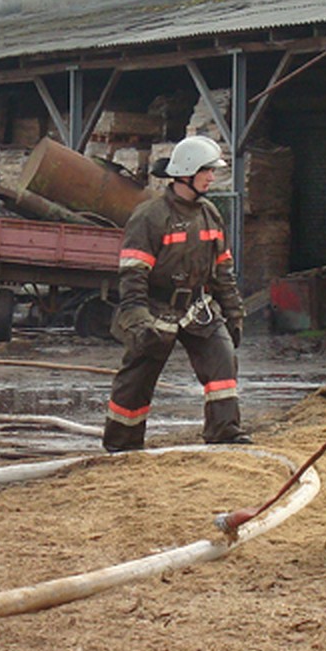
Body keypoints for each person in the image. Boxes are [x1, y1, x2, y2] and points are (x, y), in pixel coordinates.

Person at [102, 135, 249, 451]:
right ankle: (121, 444)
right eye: (207, 170)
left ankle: (225, 432)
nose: (212, 177)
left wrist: (234, 312)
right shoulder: (150, 216)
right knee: (137, 378)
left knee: (223, 360)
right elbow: (133, 274)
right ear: (187, 172)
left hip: (198, 308)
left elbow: (224, 271)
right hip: (155, 308)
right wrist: (138, 319)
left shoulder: (210, 214)